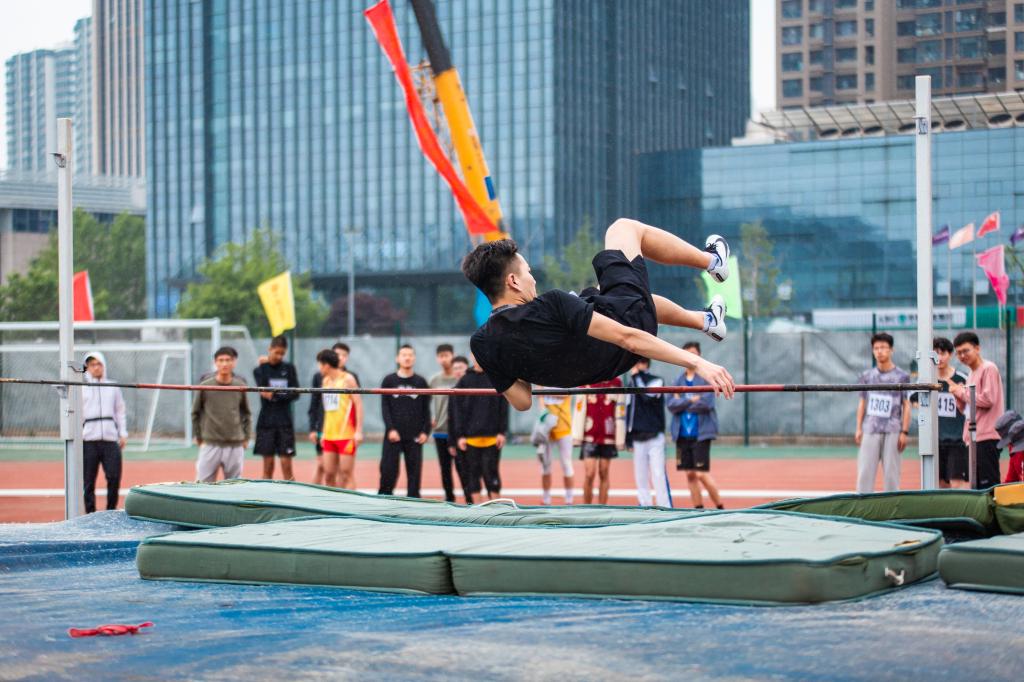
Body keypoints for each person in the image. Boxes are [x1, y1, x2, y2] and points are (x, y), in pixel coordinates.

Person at [462, 219, 736, 413]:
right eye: (528, 273)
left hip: (601, 365)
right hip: (627, 331)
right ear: (513, 281)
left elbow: (523, 402)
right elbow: (627, 337)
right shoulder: (551, 304)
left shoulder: (482, 343)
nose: (533, 280)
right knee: (622, 228)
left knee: (610, 294)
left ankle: (707, 321)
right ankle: (713, 261)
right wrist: (697, 362)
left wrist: (523, 354)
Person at [667, 342, 723, 509]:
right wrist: (692, 399)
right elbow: (671, 405)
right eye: (687, 353)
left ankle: (720, 507)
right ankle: (698, 510)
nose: (690, 357)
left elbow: (707, 403)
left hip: (701, 433)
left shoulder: (706, 379)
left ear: (699, 356)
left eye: (693, 353)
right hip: (682, 434)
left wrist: (682, 402)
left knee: (701, 474)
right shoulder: (677, 381)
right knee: (690, 474)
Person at [854, 332, 911, 494]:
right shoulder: (867, 376)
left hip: (893, 430)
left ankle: (891, 505)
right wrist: (858, 428)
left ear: (891, 350)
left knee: (892, 475)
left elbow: (906, 405)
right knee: (864, 473)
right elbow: (862, 403)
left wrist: (904, 431)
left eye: (883, 347)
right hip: (870, 429)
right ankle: (862, 504)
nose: (879, 351)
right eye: (876, 348)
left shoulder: (902, 376)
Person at [449, 355, 509, 502]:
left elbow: (503, 406)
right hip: (470, 438)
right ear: (472, 356)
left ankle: (496, 510)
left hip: (492, 437)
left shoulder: (496, 378)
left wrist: (502, 432)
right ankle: (478, 510)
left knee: (491, 474)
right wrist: (460, 436)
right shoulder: (464, 381)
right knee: (473, 475)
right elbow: (457, 411)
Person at [911, 337, 969, 488]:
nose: (939, 358)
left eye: (943, 353)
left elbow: (971, 402)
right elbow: (913, 398)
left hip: (957, 441)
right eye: (936, 353)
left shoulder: (962, 379)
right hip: (935, 441)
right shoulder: (926, 380)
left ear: (950, 355)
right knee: (940, 483)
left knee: (957, 484)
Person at [951, 331, 1005, 489]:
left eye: (966, 350)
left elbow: (988, 400)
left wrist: (961, 392)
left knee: (989, 486)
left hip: (986, 436)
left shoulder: (989, 368)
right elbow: (968, 408)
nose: (962, 356)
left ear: (977, 348)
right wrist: (957, 394)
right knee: (976, 486)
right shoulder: (971, 374)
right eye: (958, 353)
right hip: (973, 436)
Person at [192, 346, 252, 483]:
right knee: (202, 485)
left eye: (228, 360)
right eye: (221, 360)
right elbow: (195, 412)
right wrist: (198, 435)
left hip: (235, 444)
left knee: (233, 485)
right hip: (210, 443)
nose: (224, 364)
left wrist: (247, 436)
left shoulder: (240, 385)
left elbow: (247, 413)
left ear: (234, 362)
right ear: (215, 362)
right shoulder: (205, 385)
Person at [379, 344, 431, 497]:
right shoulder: (389, 381)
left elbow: (426, 408)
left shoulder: (421, 382)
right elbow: (385, 408)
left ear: (414, 358)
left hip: (414, 434)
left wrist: (425, 431)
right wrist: (390, 429)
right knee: (388, 470)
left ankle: (413, 500)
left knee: (414, 472)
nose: (407, 358)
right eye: (404, 355)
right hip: (394, 435)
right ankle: (384, 498)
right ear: (398, 358)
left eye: (410, 355)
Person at [81, 351, 127, 513]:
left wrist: (123, 433)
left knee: (114, 477)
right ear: (87, 368)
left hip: (110, 439)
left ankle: (110, 511)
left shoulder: (113, 387)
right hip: (88, 440)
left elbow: (120, 411)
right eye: (92, 365)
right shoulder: (81, 389)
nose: (96, 368)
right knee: (88, 481)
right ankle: (90, 512)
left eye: (99, 364)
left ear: (104, 366)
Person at [308, 342, 360, 486]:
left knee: (346, 473)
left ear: (326, 365)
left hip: (346, 434)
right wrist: (322, 432)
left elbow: (358, 404)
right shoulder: (325, 381)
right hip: (329, 435)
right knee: (329, 474)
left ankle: (349, 500)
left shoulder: (348, 379)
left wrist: (358, 431)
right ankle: (332, 500)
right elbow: (326, 410)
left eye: (320, 365)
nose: (319, 368)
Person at [252, 335, 300, 481]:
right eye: (277, 352)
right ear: (270, 349)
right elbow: (264, 392)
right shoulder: (260, 369)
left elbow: (295, 393)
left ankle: (291, 493)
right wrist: (282, 394)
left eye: (282, 353)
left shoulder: (289, 368)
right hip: (266, 422)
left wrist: (275, 395)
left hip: (285, 422)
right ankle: (266, 494)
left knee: (286, 465)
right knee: (268, 465)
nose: (279, 356)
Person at [627, 357, 671, 508]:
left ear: (646, 364)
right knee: (640, 477)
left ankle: (664, 507)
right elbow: (629, 410)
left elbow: (647, 396)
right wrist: (628, 437)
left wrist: (636, 376)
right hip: (638, 437)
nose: (636, 366)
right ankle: (644, 506)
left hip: (654, 436)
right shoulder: (632, 382)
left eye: (639, 362)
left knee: (658, 474)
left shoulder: (657, 380)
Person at [573, 377, 624, 505]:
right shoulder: (585, 379)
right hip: (589, 434)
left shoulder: (616, 382)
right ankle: (587, 507)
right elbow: (578, 408)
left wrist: (620, 437)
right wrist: (577, 435)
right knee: (589, 473)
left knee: (604, 472)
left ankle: (602, 508)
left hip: (608, 434)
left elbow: (621, 410)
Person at [429, 343, 461, 503]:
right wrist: (429, 418)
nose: (444, 359)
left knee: (462, 467)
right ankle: (449, 497)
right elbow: (424, 402)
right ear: (437, 358)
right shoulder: (434, 380)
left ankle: (469, 497)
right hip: (440, 431)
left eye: (446, 355)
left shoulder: (460, 378)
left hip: (460, 432)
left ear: (452, 356)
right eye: (441, 356)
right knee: (445, 468)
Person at [532, 392, 575, 505]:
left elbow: (566, 393)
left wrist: (546, 391)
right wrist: (544, 413)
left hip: (564, 425)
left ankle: (569, 499)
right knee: (545, 465)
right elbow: (540, 395)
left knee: (566, 464)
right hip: (547, 428)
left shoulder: (566, 381)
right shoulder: (543, 381)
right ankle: (546, 498)